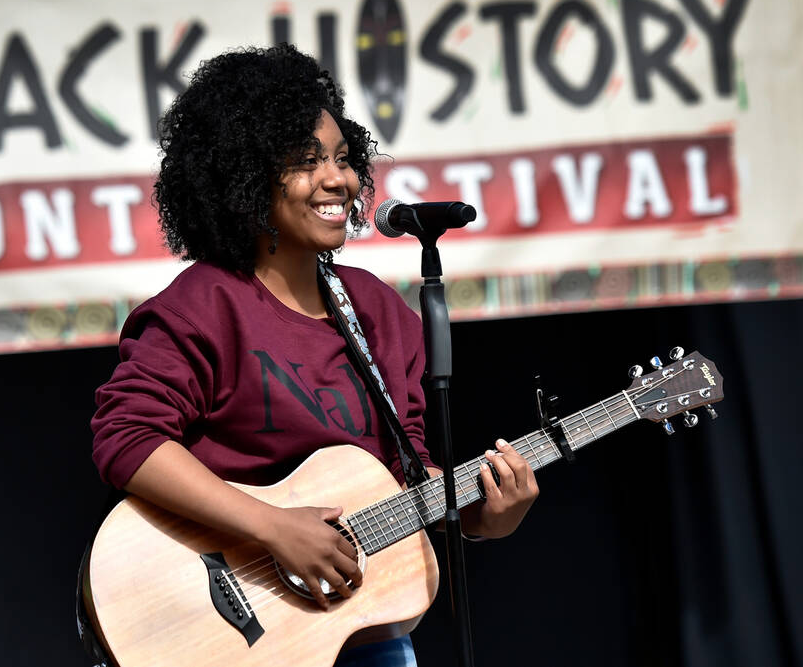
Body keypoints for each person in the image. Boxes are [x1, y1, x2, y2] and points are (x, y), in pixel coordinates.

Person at [90, 43, 538, 666]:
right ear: (243, 177)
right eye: (307, 162)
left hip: (361, 633)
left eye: (344, 158)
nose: (338, 179)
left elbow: (406, 476)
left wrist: (482, 518)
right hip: (234, 634)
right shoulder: (203, 306)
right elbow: (127, 438)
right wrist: (272, 527)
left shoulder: (377, 312)